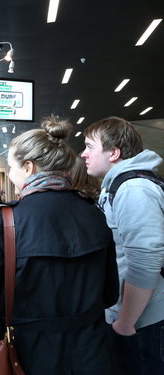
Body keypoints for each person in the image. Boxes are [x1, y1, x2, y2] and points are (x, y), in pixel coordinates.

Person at [0, 116, 119, 374]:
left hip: (26, 355)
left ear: (27, 167)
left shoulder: (7, 220)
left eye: (11, 167)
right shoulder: (93, 213)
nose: (11, 175)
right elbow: (109, 294)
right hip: (90, 352)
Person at [81, 116, 164, 375]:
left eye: (89, 146)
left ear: (114, 153)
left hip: (144, 321)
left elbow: (146, 259)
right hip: (134, 316)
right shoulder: (118, 186)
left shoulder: (133, 189)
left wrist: (125, 323)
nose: (83, 154)